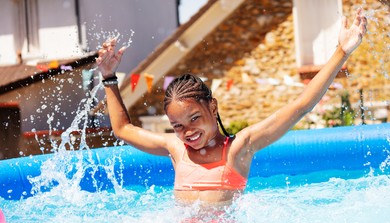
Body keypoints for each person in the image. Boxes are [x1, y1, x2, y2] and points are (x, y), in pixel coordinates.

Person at [96, 8, 367, 206]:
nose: (187, 131)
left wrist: (341, 52)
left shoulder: (239, 148)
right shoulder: (176, 149)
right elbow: (123, 129)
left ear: (212, 108)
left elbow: (301, 105)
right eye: (178, 126)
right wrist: (109, 77)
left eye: (194, 118)